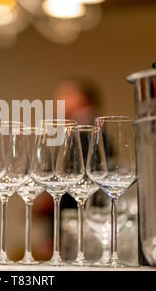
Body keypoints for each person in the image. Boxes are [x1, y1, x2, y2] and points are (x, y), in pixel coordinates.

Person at [32, 77, 102, 260]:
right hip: (73, 222)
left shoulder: (85, 128)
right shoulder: (73, 129)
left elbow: (82, 178)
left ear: (84, 99)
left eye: (65, 95)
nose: (58, 102)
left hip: (78, 223)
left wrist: (47, 200)